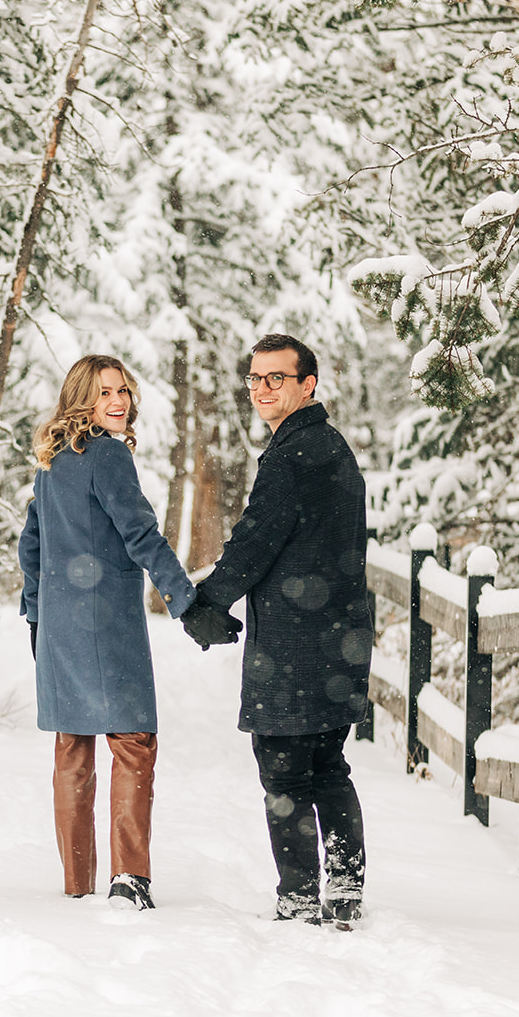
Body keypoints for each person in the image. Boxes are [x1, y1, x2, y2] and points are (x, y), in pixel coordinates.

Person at [181, 333, 372, 929]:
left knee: (285, 770)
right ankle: (342, 890)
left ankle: (299, 897)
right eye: (255, 379)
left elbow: (256, 540)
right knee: (326, 766)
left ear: (307, 384)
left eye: (276, 379)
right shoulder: (329, 447)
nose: (262, 389)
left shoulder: (294, 455)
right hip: (337, 638)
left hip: (298, 643)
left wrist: (205, 604)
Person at [19, 354, 206, 911]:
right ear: (83, 399)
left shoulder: (51, 462)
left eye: (122, 391)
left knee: (73, 745)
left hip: (59, 624)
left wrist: (36, 617)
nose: (118, 402)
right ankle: (128, 878)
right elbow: (142, 535)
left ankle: (78, 881)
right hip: (106, 624)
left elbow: (30, 549)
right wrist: (185, 600)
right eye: (104, 393)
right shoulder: (106, 455)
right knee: (133, 744)